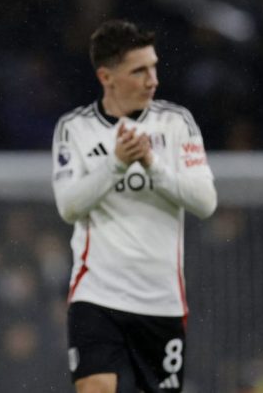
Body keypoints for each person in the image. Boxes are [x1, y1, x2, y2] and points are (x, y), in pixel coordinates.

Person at [50, 19, 217, 393]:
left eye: (154, 67)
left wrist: (152, 165)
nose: (152, 80)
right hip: (97, 294)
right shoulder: (74, 128)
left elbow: (205, 202)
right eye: (139, 70)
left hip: (161, 299)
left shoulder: (176, 123)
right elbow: (69, 206)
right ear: (106, 76)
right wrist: (117, 163)